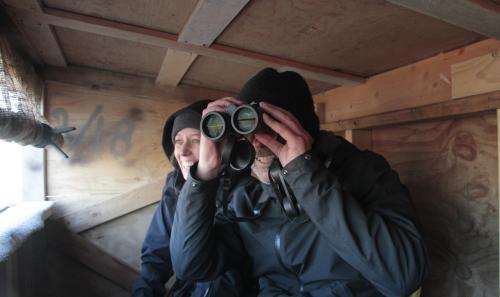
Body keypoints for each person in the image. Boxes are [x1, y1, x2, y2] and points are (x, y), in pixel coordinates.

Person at [170, 68, 430, 297]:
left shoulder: (362, 171)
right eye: (246, 131)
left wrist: (304, 173)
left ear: (300, 132)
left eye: (269, 131)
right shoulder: (249, 196)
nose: (257, 144)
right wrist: (202, 178)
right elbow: (190, 267)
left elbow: (403, 278)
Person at [132, 100, 255, 297]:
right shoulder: (175, 188)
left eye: (196, 140)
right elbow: (155, 261)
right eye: (178, 141)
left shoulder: (245, 194)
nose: (182, 152)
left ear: (224, 148)